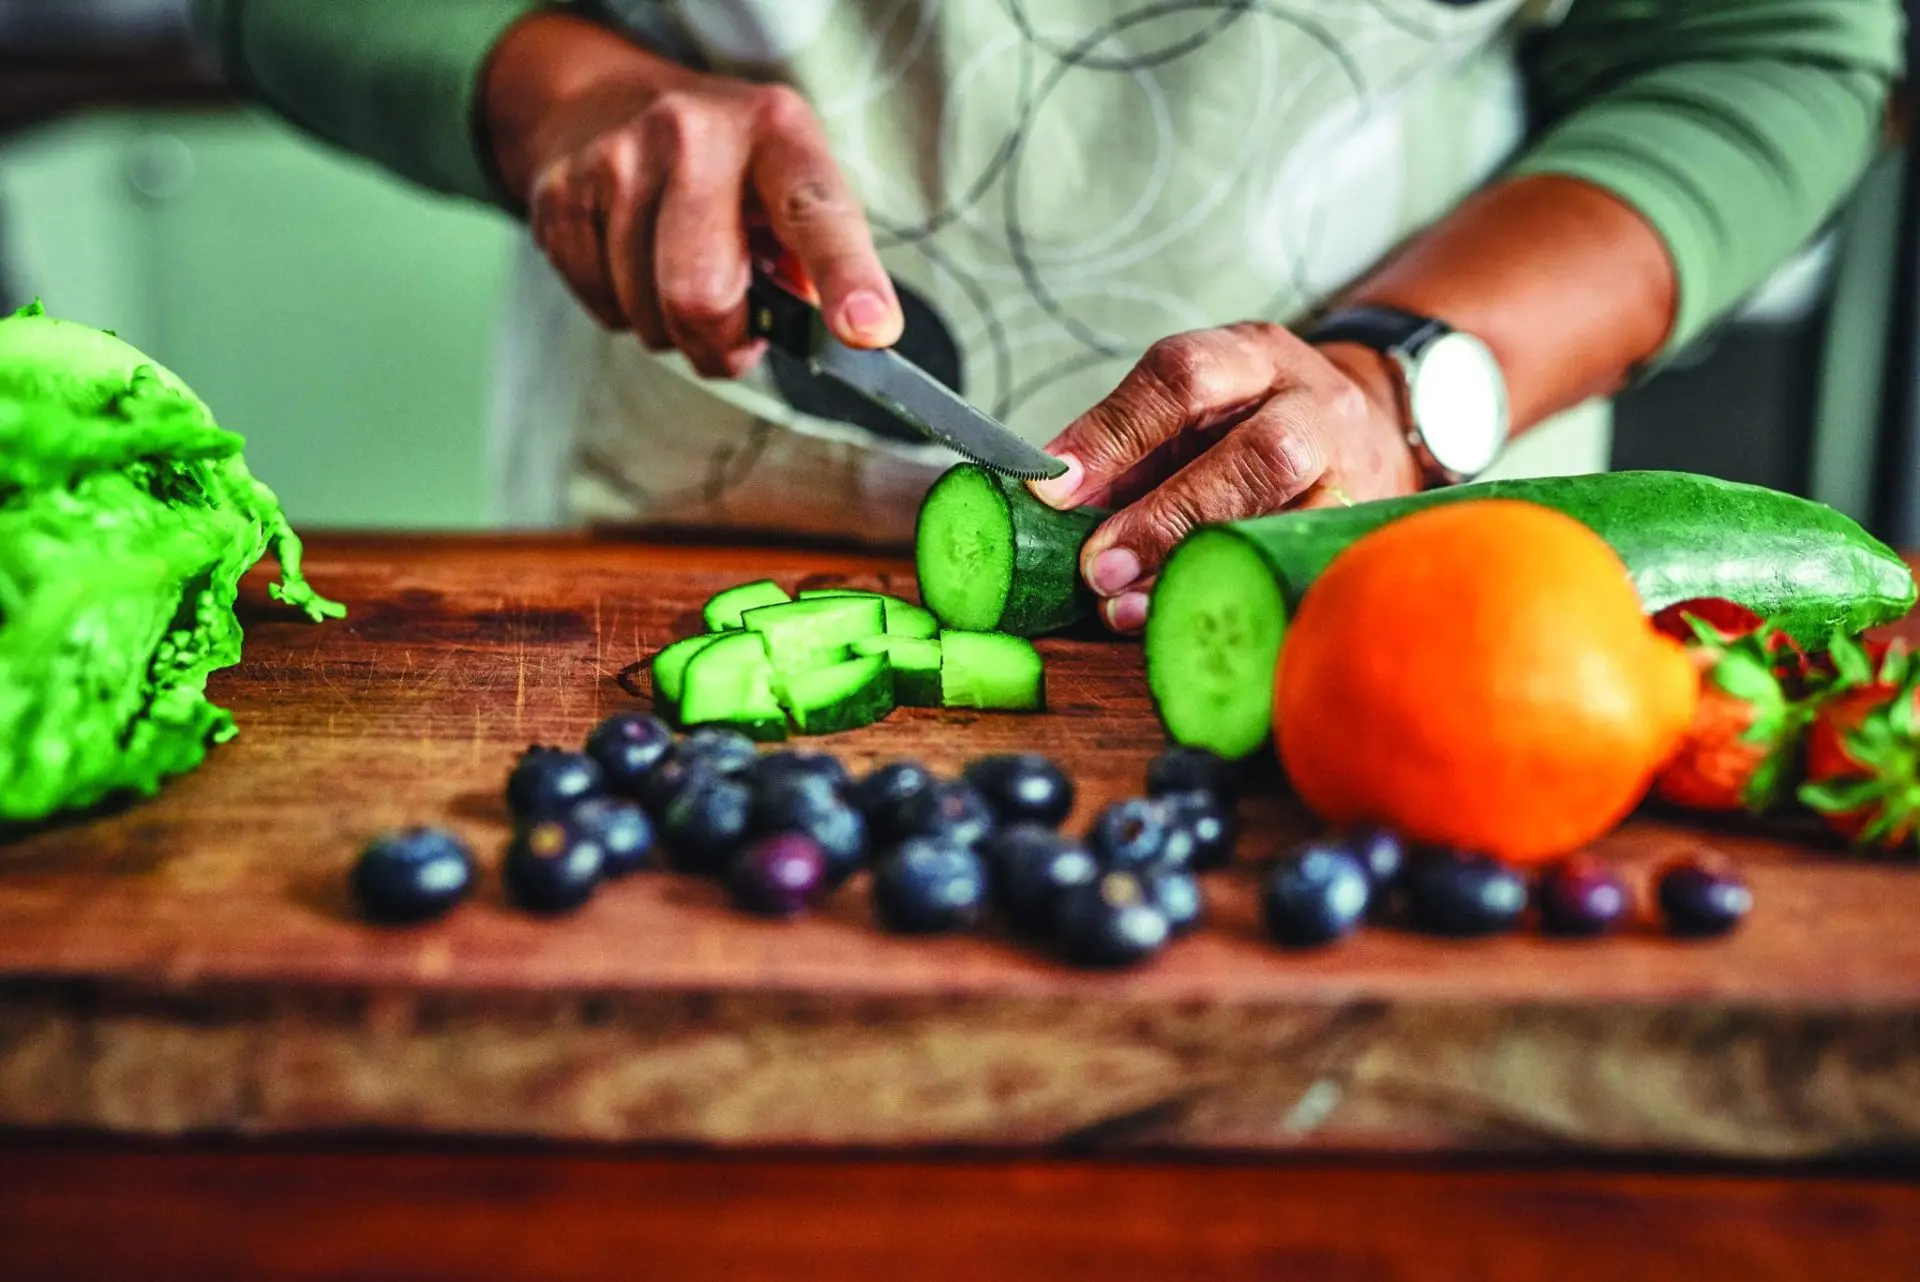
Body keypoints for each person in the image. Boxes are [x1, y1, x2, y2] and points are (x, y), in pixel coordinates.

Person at [191, 1, 1902, 631]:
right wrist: (563, 95)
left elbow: (1768, 45)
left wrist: (1413, 377)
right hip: (667, 503)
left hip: (1405, 552)